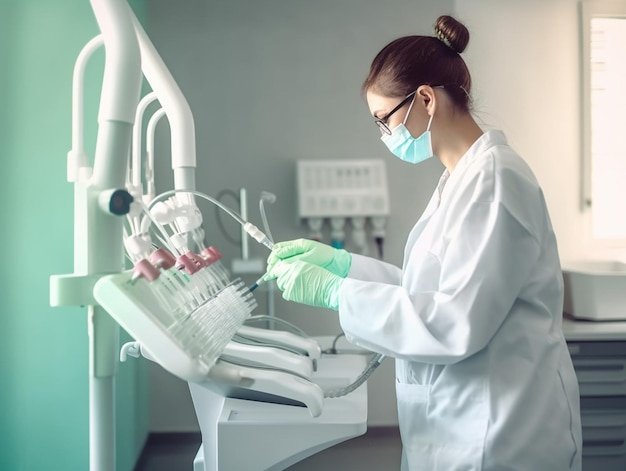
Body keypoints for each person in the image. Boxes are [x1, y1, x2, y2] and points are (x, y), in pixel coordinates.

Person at [263, 15, 582, 471]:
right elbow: (431, 293)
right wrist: (343, 266)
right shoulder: (460, 180)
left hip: (501, 435)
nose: (384, 136)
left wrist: (337, 293)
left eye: (383, 120)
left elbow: (454, 322)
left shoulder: (496, 181)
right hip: (460, 424)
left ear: (426, 99)